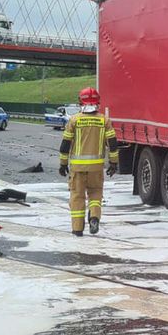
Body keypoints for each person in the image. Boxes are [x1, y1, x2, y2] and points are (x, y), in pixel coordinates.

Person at [58, 87, 119, 236]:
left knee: (77, 197)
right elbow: (112, 144)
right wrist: (113, 163)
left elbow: (65, 144)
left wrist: (63, 164)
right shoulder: (104, 120)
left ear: (81, 102)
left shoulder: (74, 120)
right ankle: (94, 217)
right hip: (96, 168)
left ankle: (77, 229)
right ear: (98, 102)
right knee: (96, 194)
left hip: (77, 168)